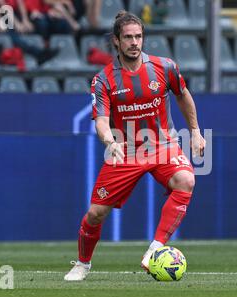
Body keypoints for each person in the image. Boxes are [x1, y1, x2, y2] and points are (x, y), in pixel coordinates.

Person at [64, 10, 206, 281]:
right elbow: (101, 121)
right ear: (116, 41)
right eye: (128, 37)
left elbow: (183, 95)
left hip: (162, 144)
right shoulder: (104, 80)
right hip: (126, 150)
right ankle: (83, 263)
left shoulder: (165, 67)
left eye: (138, 36)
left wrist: (196, 132)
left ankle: (155, 249)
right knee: (96, 214)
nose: (134, 42)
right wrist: (110, 140)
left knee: (186, 180)